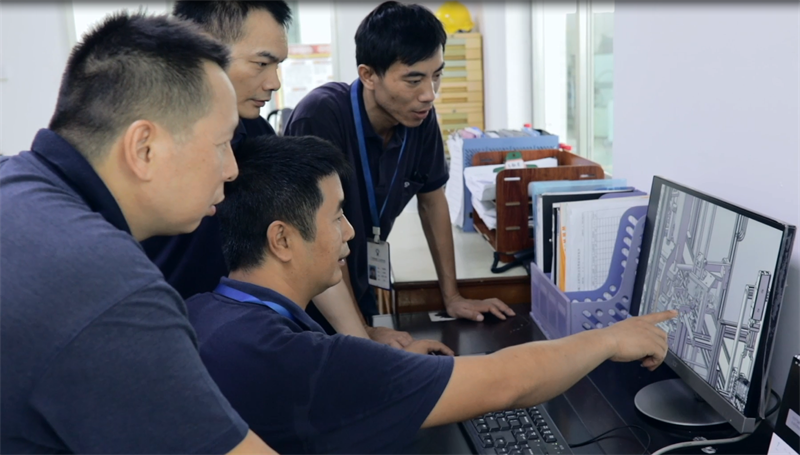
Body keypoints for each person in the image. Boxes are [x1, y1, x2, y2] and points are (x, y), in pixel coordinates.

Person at [187, 134, 678, 454]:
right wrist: (610, 339)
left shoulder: (201, 314)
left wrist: (388, 367)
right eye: (336, 216)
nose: (350, 231)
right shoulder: (299, 359)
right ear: (281, 239)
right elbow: (504, 383)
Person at [0, 12, 273, 454]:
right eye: (222, 144)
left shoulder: (15, 183)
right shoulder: (105, 284)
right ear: (144, 148)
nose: (232, 169)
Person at [142, 0, 400, 344]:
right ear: (201, 47)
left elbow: (311, 245)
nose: (275, 82)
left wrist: (362, 347)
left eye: (277, 65)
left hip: (239, 338)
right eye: (262, 64)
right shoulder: (148, 147)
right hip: (165, 340)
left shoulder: (255, 132)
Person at [283, 2, 514, 341]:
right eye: (414, 80)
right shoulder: (320, 117)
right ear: (368, 75)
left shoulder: (419, 119)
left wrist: (452, 297)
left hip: (356, 283)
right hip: (309, 301)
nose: (429, 94)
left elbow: (433, 202)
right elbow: (314, 236)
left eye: (437, 76)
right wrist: (361, 332)